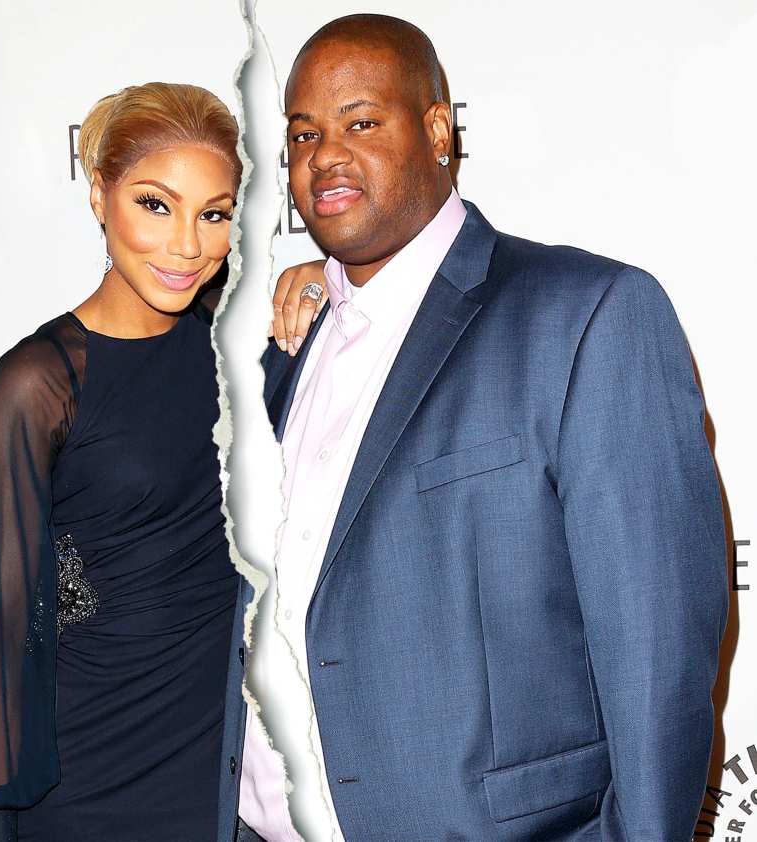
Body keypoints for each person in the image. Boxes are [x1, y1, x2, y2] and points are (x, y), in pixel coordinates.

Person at [234, 14, 729, 842]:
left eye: (361, 121)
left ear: (436, 130)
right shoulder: (287, 343)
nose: (324, 155)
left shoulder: (584, 315)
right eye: (303, 133)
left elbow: (656, 655)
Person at [0, 81, 250, 842]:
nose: (186, 245)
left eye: (213, 214)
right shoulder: (37, 383)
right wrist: (1, 804)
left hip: (226, 751)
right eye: (154, 204)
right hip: (92, 763)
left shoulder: (234, 332)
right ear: (99, 195)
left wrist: (305, 281)